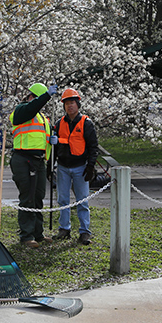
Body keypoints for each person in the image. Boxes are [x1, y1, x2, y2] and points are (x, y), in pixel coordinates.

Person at [9, 82, 59, 248]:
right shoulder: (21, 110)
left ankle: (38, 233)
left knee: (38, 197)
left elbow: (43, 140)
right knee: (27, 198)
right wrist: (45, 97)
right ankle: (26, 235)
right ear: (31, 97)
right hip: (23, 159)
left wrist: (53, 140)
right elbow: (31, 108)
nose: (41, 103)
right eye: (38, 99)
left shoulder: (43, 118)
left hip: (39, 161)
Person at [53, 88, 99, 245]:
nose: (69, 106)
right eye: (66, 103)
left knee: (82, 200)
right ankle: (64, 229)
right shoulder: (59, 124)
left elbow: (93, 147)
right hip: (63, 167)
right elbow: (54, 147)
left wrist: (90, 166)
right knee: (63, 199)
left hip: (81, 166)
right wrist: (49, 165)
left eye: (72, 103)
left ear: (77, 104)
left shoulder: (86, 123)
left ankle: (85, 232)